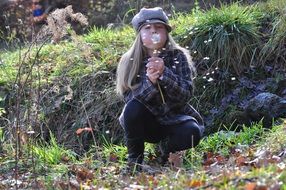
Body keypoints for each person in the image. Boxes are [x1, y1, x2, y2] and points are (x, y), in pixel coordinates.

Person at [116, 7, 205, 171]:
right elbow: (129, 101)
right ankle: (134, 161)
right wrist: (150, 82)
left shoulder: (178, 56)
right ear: (139, 34)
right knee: (133, 108)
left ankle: (167, 156)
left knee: (192, 132)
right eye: (147, 28)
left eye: (159, 27)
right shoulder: (130, 60)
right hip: (146, 122)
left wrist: (166, 74)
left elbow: (186, 94)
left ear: (166, 32)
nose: (154, 31)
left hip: (175, 117)